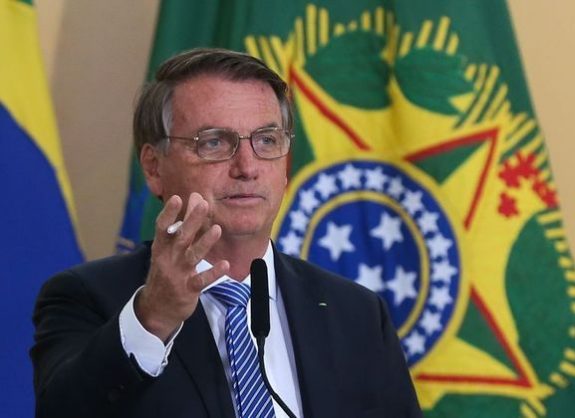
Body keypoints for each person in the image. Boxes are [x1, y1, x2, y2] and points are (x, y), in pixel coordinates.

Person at [31, 48, 422, 418]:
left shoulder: (357, 314)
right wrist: (154, 319)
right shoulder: (87, 298)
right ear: (153, 167)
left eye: (267, 140)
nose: (247, 167)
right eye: (214, 142)